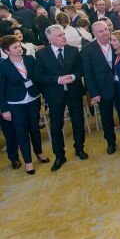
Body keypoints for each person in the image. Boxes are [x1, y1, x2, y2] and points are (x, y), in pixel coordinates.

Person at [34, 25, 86, 172]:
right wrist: (57, 80)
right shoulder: (41, 54)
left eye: (63, 34)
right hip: (54, 95)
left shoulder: (73, 50)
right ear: (50, 39)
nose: (63, 37)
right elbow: (38, 76)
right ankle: (59, 155)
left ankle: (79, 148)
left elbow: (81, 69)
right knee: (56, 126)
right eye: (59, 35)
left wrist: (74, 76)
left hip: (74, 92)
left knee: (78, 122)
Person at [82, 21, 120, 153]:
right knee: (106, 118)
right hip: (102, 90)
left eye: (106, 29)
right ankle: (111, 142)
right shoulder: (88, 50)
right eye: (100, 31)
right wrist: (94, 93)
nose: (105, 33)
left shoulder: (116, 42)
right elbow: (88, 74)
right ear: (94, 33)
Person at [0, 35, 50, 175]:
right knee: (22, 133)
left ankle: (39, 153)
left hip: (33, 99)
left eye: (19, 45)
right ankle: (28, 161)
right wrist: (4, 109)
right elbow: (0, 90)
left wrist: (44, 96)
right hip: (15, 104)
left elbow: (37, 78)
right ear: (7, 51)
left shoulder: (29, 59)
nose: (19, 49)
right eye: (15, 47)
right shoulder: (3, 66)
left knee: (35, 129)